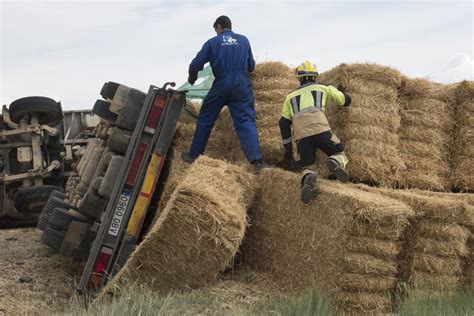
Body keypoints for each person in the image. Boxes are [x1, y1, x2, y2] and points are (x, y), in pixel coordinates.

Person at [182, 15, 266, 172]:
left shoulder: (213, 42)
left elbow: (195, 64)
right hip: (241, 85)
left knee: (206, 119)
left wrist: (192, 77)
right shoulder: (244, 40)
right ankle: (257, 162)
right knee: (246, 121)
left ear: (219, 26)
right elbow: (251, 66)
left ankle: (194, 155)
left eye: (216, 30)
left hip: (221, 83)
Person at [279, 61, 352, 204]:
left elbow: (283, 123)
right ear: (315, 76)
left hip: (302, 137)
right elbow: (346, 101)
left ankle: (308, 179)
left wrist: (288, 149)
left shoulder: (290, 97)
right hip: (321, 131)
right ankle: (335, 162)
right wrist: (342, 92)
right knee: (339, 152)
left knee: (308, 166)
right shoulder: (323, 88)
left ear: (299, 78)